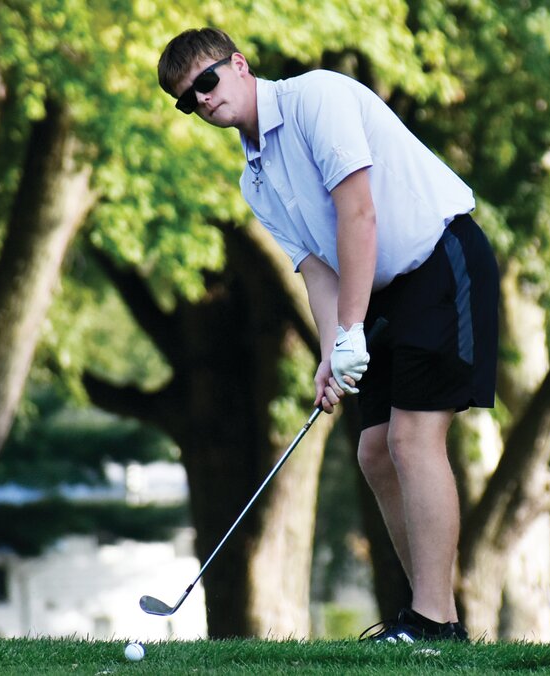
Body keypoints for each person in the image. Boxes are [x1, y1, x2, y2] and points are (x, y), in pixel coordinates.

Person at [158, 27, 498, 643]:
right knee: (374, 452)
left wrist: (350, 330)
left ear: (238, 65)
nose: (202, 101)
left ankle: (431, 621)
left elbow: (358, 212)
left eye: (206, 81)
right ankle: (436, 621)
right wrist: (330, 353)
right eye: (187, 100)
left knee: (413, 437)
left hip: (442, 260)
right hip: (377, 292)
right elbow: (318, 270)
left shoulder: (318, 98)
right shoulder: (253, 180)